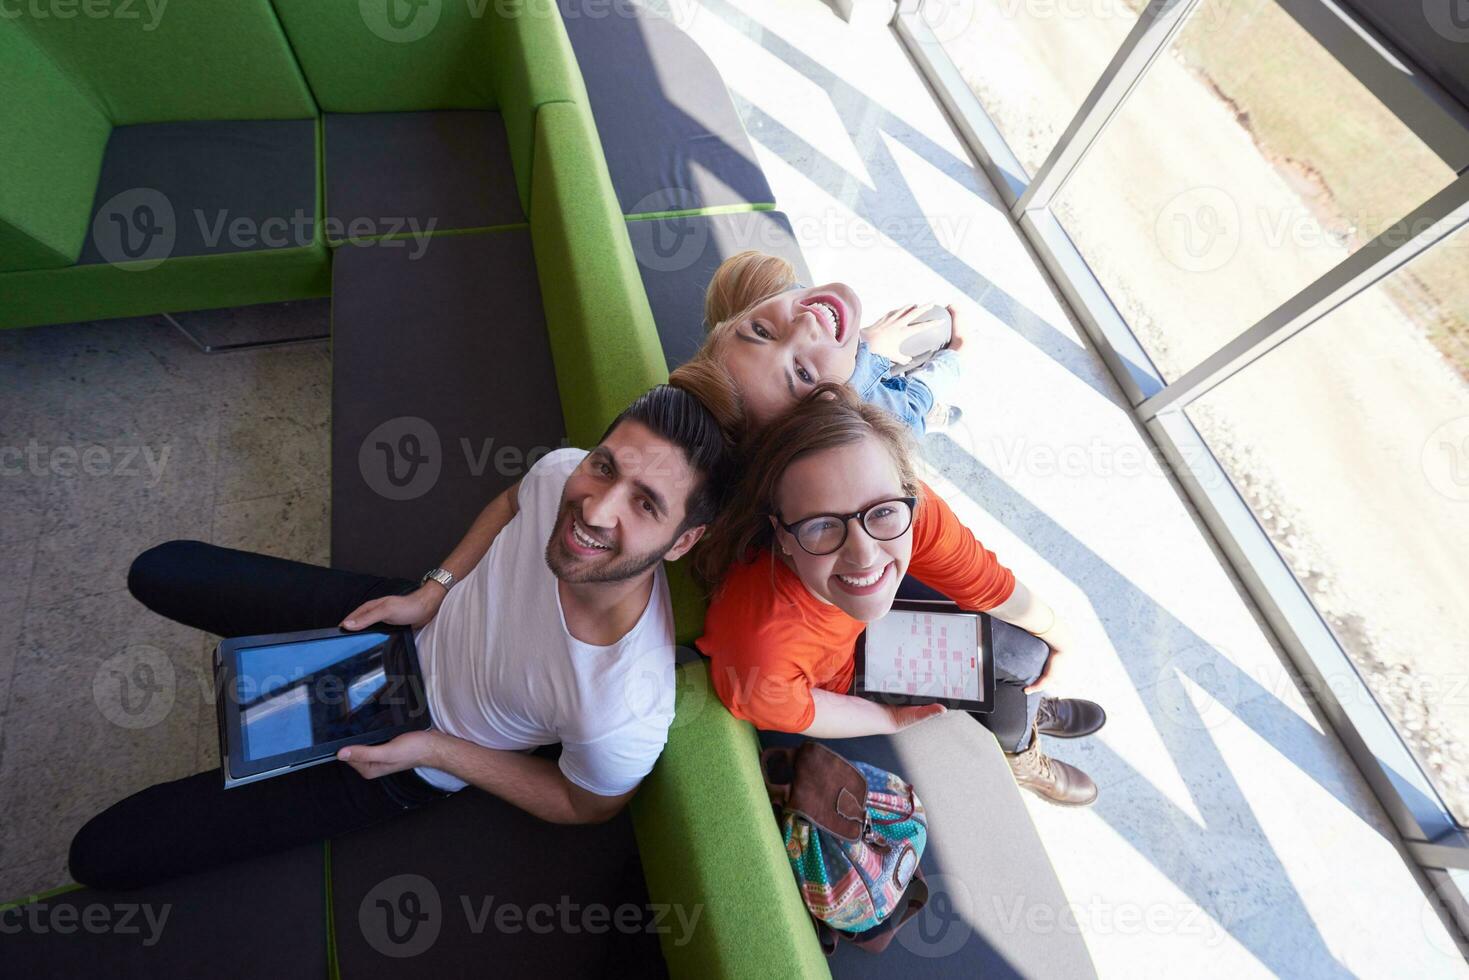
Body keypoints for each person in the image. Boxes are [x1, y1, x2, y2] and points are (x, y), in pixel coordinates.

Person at [68, 385, 730, 890]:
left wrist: (438, 752)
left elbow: (583, 804)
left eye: (646, 504)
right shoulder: (562, 474)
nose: (595, 508)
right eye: (605, 466)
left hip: (414, 737)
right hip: (405, 622)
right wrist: (432, 588)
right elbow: (510, 502)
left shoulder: (624, 703)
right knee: (162, 570)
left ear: (685, 541)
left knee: (105, 853)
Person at [693, 384, 1107, 805]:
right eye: (822, 525)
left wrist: (1063, 637)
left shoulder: (910, 509)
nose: (863, 553)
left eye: (883, 513)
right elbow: (800, 708)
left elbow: (987, 583)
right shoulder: (760, 651)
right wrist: (886, 719)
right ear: (781, 534)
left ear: (907, 492)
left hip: (858, 615)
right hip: (841, 669)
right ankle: (1017, 746)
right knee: (1009, 683)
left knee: (1031, 653)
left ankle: (1027, 704)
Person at [669, 250, 966, 441]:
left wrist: (866, 342)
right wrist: (954, 356)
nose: (805, 324)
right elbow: (914, 406)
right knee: (938, 323)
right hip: (870, 394)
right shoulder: (872, 410)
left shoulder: (779, 304)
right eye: (802, 372)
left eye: (761, 331)